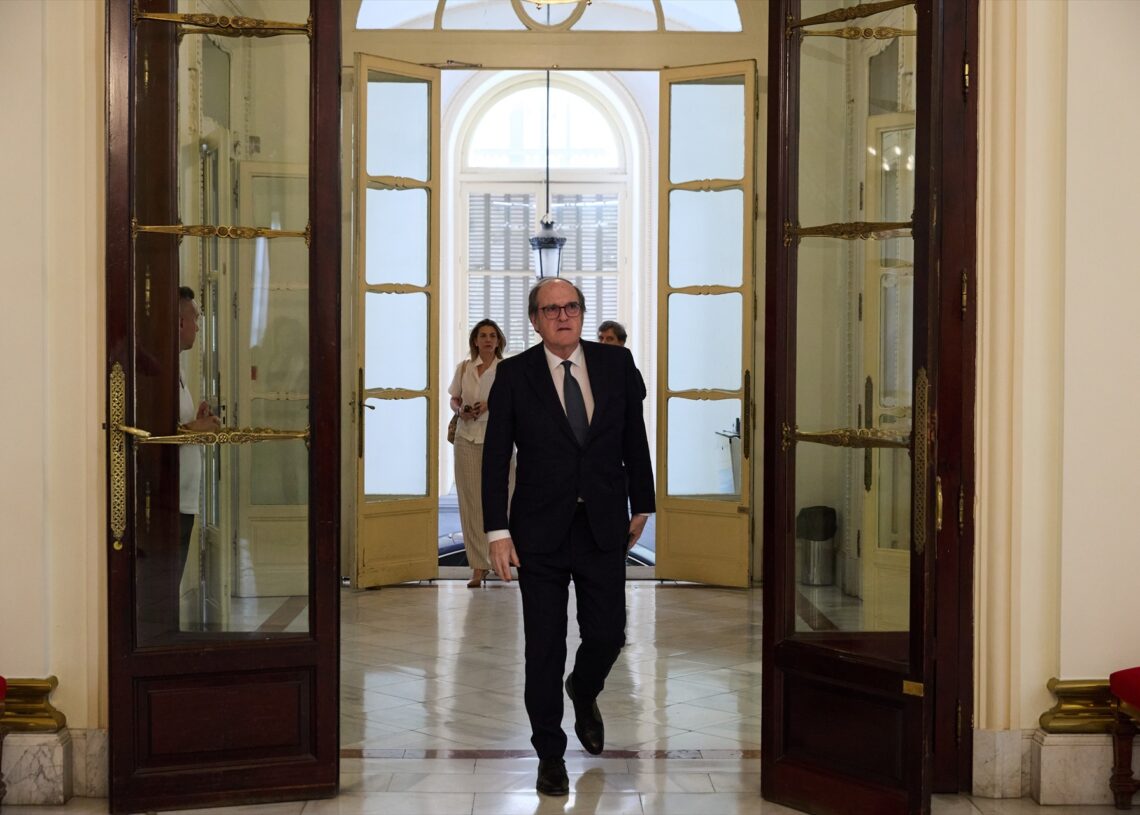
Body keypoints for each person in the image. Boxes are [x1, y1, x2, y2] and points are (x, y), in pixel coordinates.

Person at [481, 278, 655, 797]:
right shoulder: (514, 376)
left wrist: (642, 502)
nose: (563, 316)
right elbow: (495, 458)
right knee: (544, 646)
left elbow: (634, 435)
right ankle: (549, 754)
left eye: (572, 306)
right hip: (540, 529)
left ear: (582, 313)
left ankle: (584, 686)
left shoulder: (615, 365)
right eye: (551, 309)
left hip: (603, 524)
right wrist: (497, 530)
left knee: (607, 633)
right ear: (534, 320)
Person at [448, 319, 507, 588]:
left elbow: (516, 401)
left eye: (492, 336)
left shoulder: (506, 368)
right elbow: (454, 398)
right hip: (467, 437)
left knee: (505, 499)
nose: (487, 340)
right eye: (482, 335)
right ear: (475, 340)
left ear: (498, 341)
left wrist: (490, 404)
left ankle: (502, 560)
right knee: (471, 502)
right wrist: (461, 410)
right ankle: (478, 566)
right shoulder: (464, 367)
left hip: (498, 440)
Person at [178, 286, 221, 574]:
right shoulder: (156, 371)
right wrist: (196, 427)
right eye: (195, 318)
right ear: (180, 322)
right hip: (170, 500)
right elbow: (151, 434)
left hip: (185, 496)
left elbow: (176, 426)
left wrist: (196, 421)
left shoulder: (178, 370)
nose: (197, 326)